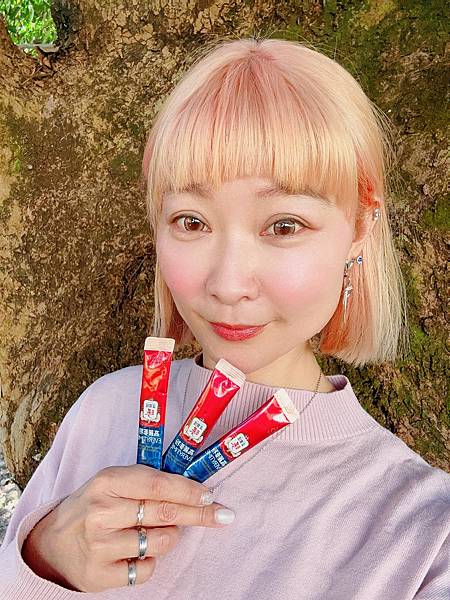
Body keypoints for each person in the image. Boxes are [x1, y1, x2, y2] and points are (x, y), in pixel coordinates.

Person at [1, 36, 449, 599]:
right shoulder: (103, 409)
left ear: (360, 227)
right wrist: (43, 559)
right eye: (191, 222)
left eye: (283, 226)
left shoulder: (425, 535)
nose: (228, 284)